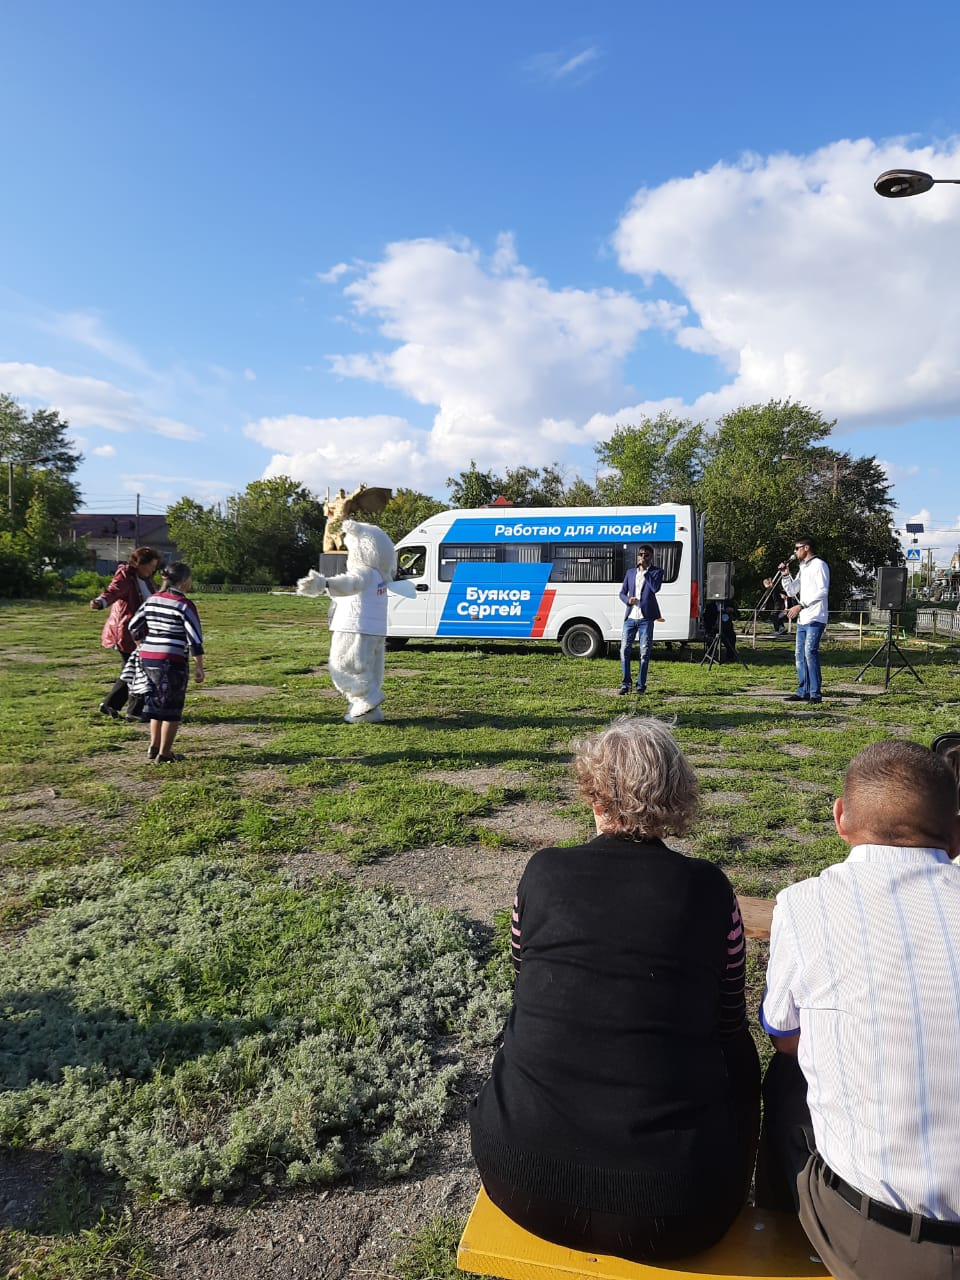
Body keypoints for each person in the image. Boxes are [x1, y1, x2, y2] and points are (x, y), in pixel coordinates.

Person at [470, 717, 761, 1264]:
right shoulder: (708, 889)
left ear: (592, 793)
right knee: (741, 1058)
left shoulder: (541, 872)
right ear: (676, 796)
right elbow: (728, 1021)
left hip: (515, 1175)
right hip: (680, 1207)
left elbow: (523, 967)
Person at [756, 740, 960, 1280]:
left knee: (786, 1076)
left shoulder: (804, 904)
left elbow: (783, 1034)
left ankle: (773, 1234)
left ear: (841, 817)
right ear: (956, 834)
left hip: (883, 1243)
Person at [128, 562, 205, 762]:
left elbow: (133, 625)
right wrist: (199, 666)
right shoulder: (184, 604)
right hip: (172, 659)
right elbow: (195, 638)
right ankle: (164, 753)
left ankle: (153, 747)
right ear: (184, 581)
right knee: (171, 707)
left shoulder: (152, 600)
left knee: (156, 703)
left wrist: (142, 645)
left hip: (148, 658)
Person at [90, 546, 161, 719]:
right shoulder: (125, 577)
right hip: (126, 632)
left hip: (142, 632)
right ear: (139, 563)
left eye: (154, 567)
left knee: (133, 669)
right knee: (137, 669)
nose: (153, 570)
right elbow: (112, 592)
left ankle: (112, 705)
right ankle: (133, 710)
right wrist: (100, 602)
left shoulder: (147, 579)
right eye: (150, 566)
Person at [778, 536, 829, 703]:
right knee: (799, 655)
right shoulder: (803, 567)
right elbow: (792, 591)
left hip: (816, 616)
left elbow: (823, 591)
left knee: (810, 652)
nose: (795, 551)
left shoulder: (819, 565)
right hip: (803, 618)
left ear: (806, 548)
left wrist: (801, 605)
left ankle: (815, 694)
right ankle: (803, 691)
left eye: (797, 548)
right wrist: (786, 576)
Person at [617, 545, 664, 695]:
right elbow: (622, 593)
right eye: (641, 554)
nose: (643, 557)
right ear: (637, 555)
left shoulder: (657, 572)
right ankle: (626, 684)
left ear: (651, 557)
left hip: (646, 618)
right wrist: (627, 600)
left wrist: (646, 572)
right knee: (624, 650)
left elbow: (655, 588)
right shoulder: (630, 572)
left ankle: (640, 686)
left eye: (646, 555)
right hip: (630, 617)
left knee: (644, 653)